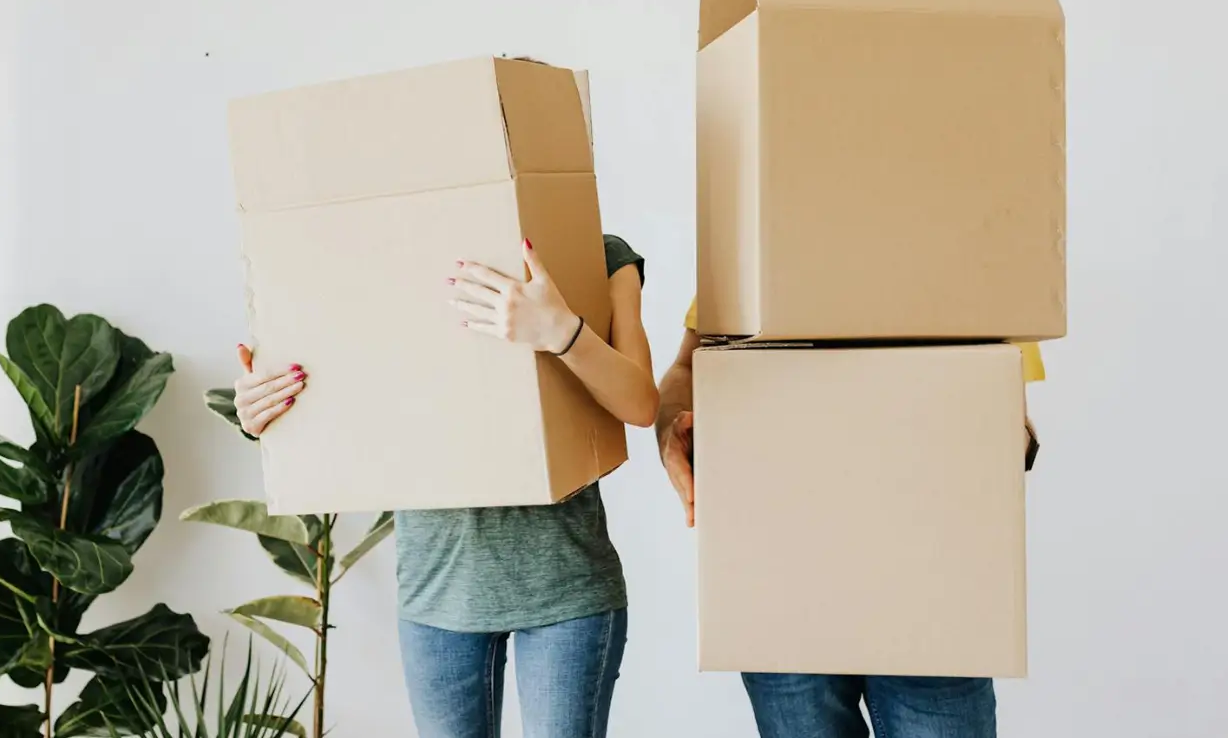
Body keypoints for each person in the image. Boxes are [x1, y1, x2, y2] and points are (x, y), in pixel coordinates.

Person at [233, 235, 657, 738]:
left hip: (567, 590)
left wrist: (561, 331)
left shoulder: (599, 254)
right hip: (437, 592)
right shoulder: (378, 254)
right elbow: (341, 387)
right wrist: (264, 409)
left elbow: (641, 405)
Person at [655, 297, 1046, 738]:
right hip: (781, 574)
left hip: (929, 579)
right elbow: (689, 368)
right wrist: (670, 433)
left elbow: (1003, 386)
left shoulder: (966, 251)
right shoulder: (756, 241)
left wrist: (1003, 441)